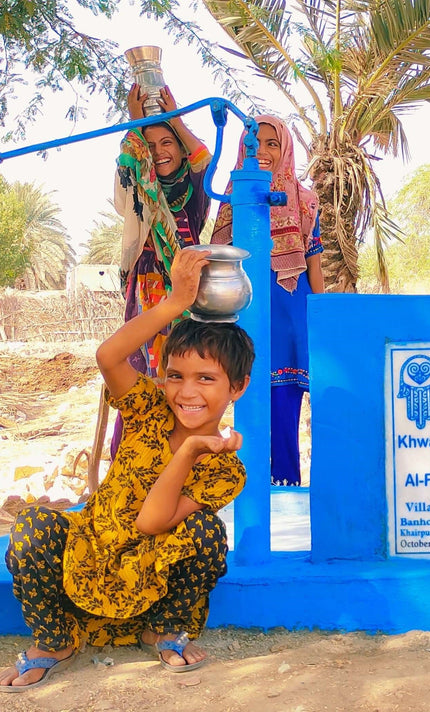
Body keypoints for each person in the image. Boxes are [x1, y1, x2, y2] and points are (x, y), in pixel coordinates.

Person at [1, 249, 253, 691]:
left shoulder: (224, 470)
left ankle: (160, 630)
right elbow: (108, 357)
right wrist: (175, 303)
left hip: (149, 584)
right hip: (88, 559)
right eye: (176, 376)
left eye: (206, 379)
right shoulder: (146, 410)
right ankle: (55, 640)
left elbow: (151, 521)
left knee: (207, 534)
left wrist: (190, 450)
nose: (186, 391)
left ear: (237, 387)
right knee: (33, 527)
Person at [211, 115, 323, 486]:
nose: (263, 151)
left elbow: (314, 266)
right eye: (255, 143)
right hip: (245, 315)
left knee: (285, 405)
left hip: (289, 314)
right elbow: (218, 260)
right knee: (247, 401)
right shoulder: (231, 198)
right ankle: (248, 490)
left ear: (286, 149)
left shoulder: (305, 202)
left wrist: (320, 322)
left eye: (273, 144)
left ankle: (286, 486)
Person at [111, 84, 214, 456]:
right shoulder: (139, 189)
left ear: (180, 150)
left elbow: (203, 156)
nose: (159, 153)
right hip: (148, 287)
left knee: (184, 371)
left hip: (185, 291)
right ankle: (136, 457)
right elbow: (129, 168)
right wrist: (137, 123)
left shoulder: (196, 186)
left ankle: (179, 457)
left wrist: (174, 119)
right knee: (141, 373)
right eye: (150, 146)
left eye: (167, 143)